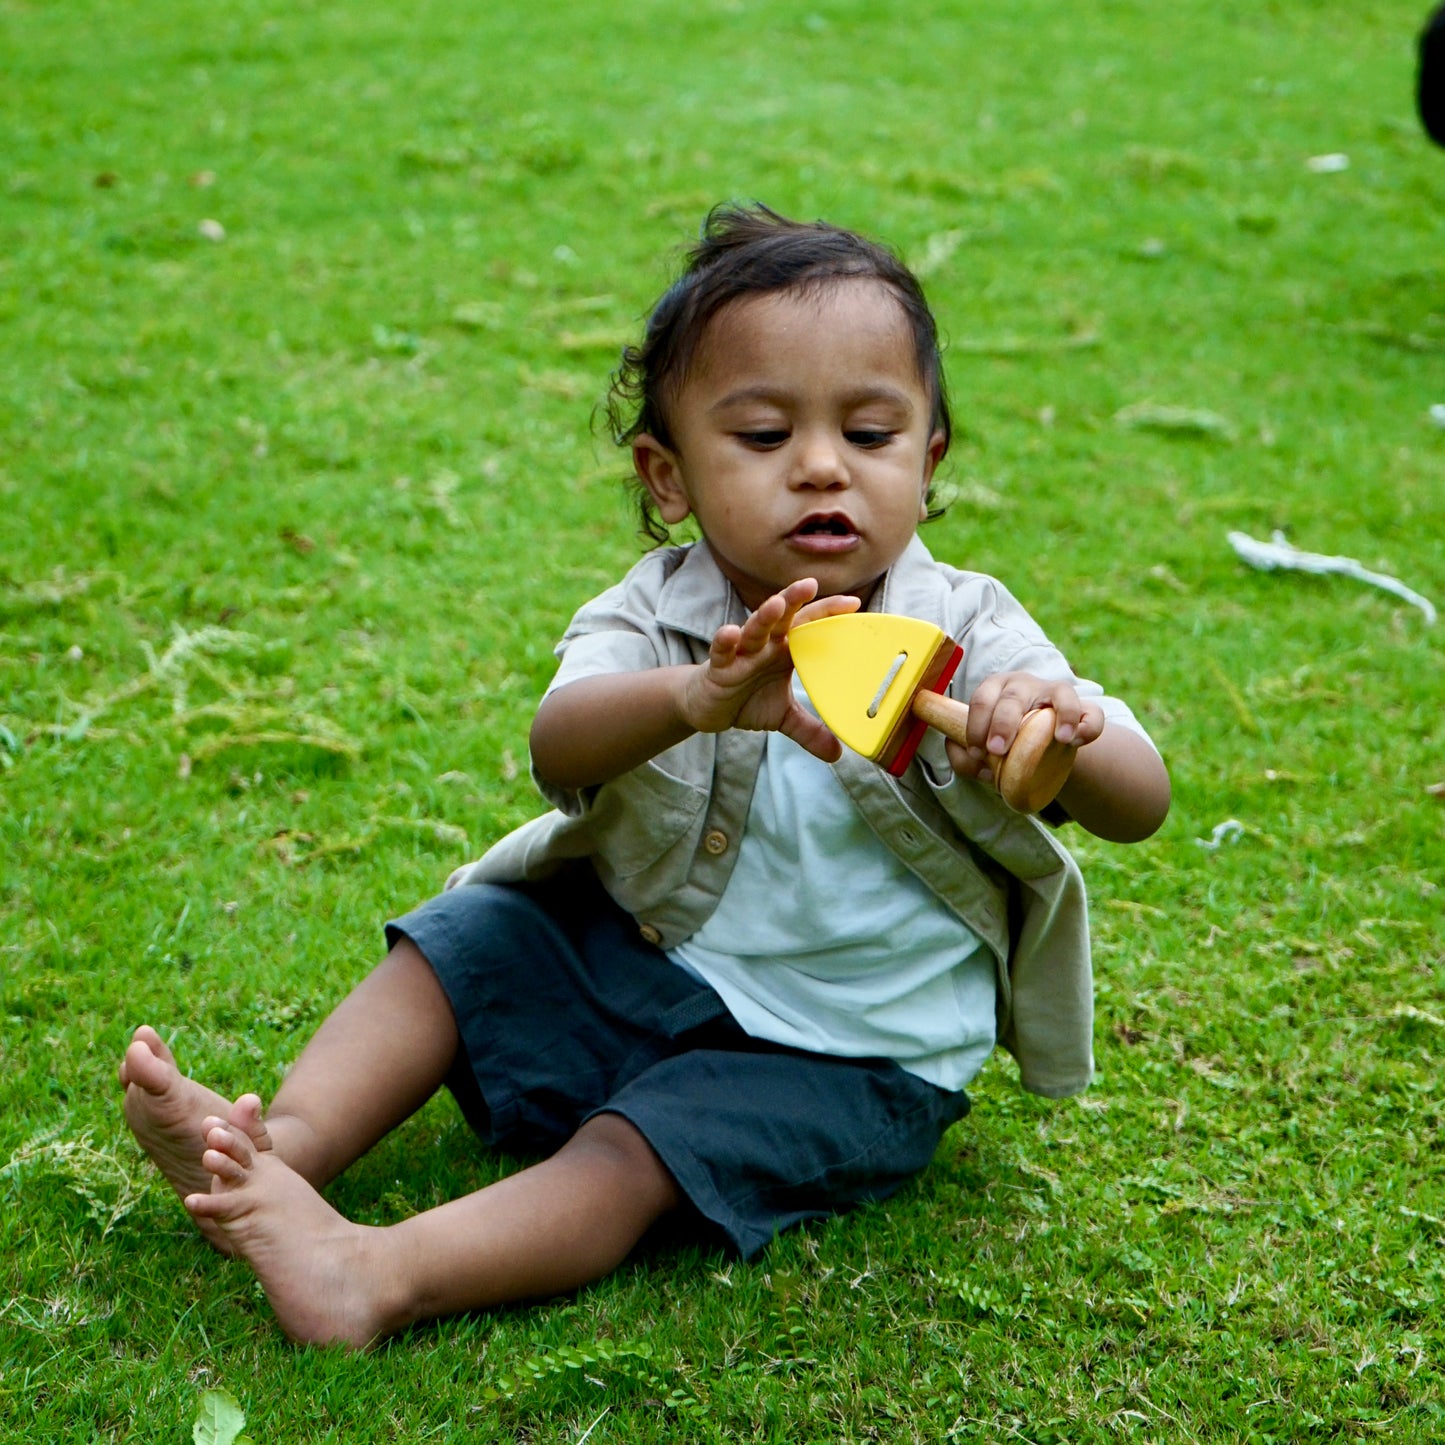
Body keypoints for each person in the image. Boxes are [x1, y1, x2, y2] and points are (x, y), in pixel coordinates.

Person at [119, 203, 1171, 1348]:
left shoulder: (967, 625)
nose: (821, 465)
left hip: (847, 1049)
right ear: (666, 475)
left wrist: (1059, 731)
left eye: (869, 436)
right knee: (460, 942)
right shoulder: (657, 611)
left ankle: (372, 1273)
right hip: (658, 952)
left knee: (633, 1146)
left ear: (926, 460)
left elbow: (1137, 798)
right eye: (763, 437)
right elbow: (556, 744)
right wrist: (695, 699)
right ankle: (277, 1148)